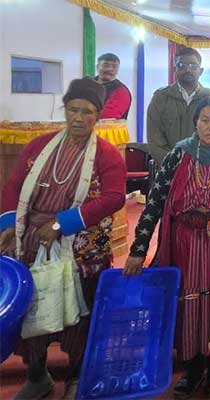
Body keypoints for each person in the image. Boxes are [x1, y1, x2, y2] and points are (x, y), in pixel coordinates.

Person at [0, 77, 126, 399]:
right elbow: (14, 187)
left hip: (82, 251)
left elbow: (113, 198)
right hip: (31, 245)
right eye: (73, 110)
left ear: (97, 116)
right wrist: (10, 224)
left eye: (86, 112)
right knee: (32, 315)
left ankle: (76, 379)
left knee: (79, 319)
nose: (79, 118)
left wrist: (61, 224)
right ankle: (37, 375)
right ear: (65, 110)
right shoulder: (39, 146)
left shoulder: (107, 154)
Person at [123, 95, 210, 398]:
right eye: (204, 120)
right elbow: (155, 202)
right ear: (195, 122)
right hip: (184, 244)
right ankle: (193, 368)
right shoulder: (178, 155)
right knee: (190, 305)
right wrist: (139, 249)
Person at [147, 47, 210, 164]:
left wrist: (200, 165)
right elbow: (155, 141)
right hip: (168, 169)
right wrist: (174, 164)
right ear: (174, 69)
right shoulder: (161, 98)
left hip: (203, 168)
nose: (187, 70)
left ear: (201, 70)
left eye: (193, 66)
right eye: (181, 65)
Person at [94, 53, 132, 120]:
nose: (109, 69)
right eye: (106, 65)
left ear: (117, 70)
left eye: (114, 66)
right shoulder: (86, 84)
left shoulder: (122, 91)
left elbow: (106, 117)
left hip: (106, 129)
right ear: (97, 67)